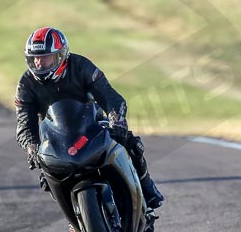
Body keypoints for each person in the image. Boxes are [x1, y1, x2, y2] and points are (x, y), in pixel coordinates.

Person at [14, 26, 164, 209]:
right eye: (35, 58)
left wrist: (116, 121)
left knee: (131, 143)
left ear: (60, 56)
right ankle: (74, 212)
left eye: (45, 57)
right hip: (56, 135)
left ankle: (147, 188)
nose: (39, 63)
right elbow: (24, 122)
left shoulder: (81, 66)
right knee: (46, 174)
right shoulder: (26, 83)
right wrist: (31, 146)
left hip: (91, 124)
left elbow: (110, 96)